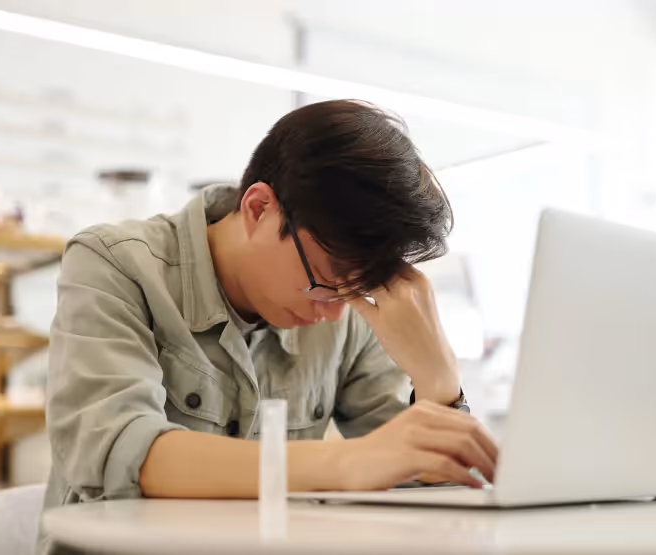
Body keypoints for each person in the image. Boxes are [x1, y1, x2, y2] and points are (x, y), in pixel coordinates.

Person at [37, 100, 498, 555]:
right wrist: (348, 462)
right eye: (324, 279)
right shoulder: (115, 264)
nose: (334, 313)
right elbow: (119, 453)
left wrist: (438, 380)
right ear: (259, 208)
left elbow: (429, 479)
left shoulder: (339, 306)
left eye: (355, 290)